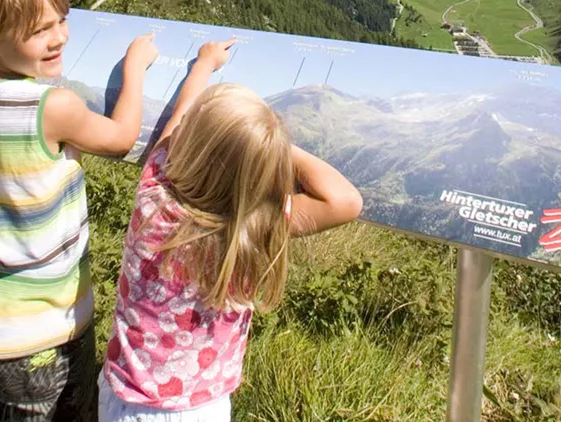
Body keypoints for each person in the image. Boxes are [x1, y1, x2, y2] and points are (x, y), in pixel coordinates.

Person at [0, 0, 160, 421]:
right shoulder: (51, 107)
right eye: (41, 30)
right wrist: (135, 67)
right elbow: (119, 141)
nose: (61, 36)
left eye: (62, 20)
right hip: (43, 329)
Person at [99, 74, 364, 420]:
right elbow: (346, 201)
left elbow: (175, 126)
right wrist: (269, 143)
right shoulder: (252, 228)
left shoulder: (154, 200)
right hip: (203, 409)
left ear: (192, 147)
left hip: (124, 399)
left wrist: (203, 67)